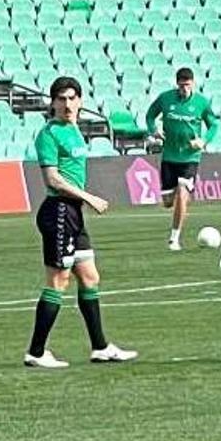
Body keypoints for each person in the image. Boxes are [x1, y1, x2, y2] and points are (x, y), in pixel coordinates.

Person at [25, 76, 137, 369]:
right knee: (58, 280)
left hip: (73, 213)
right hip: (59, 211)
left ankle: (100, 347)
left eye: (72, 98)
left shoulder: (74, 129)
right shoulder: (48, 135)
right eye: (61, 99)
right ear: (52, 103)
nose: (67, 104)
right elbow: (53, 179)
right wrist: (89, 197)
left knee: (89, 277)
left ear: (81, 101)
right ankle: (36, 352)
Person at [145, 67, 220, 251]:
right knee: (168, 202)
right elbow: (150, 115)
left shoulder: (202, 102)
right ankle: (181, 202)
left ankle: (174, 238)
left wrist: (203, 141)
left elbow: (214, 125)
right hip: (170, 156)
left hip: (190, 157)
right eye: (181, 85)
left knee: (182, 189)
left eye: (187, 85)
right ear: (176, 84)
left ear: (193, 83)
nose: (184, 89)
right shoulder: (165, 98)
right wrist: (154, 130)